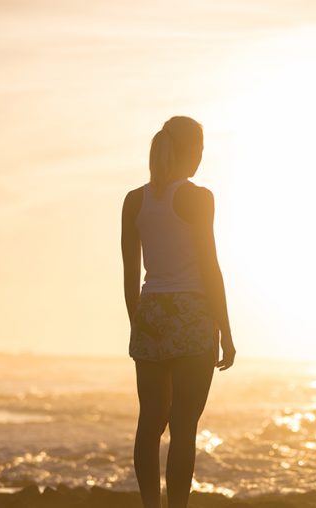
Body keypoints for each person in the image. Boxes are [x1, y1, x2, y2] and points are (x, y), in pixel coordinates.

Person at [121, 116, 236, 508]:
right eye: (200, 150)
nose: (201, 158)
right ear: (190, 151)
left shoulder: (134, 199)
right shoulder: (198, 197)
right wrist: (227, 331)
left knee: (149, 422)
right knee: (183, 427)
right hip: (192, 313)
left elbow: (129, 274)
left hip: (151, 311)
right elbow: (210, 267)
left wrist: (138, 324)